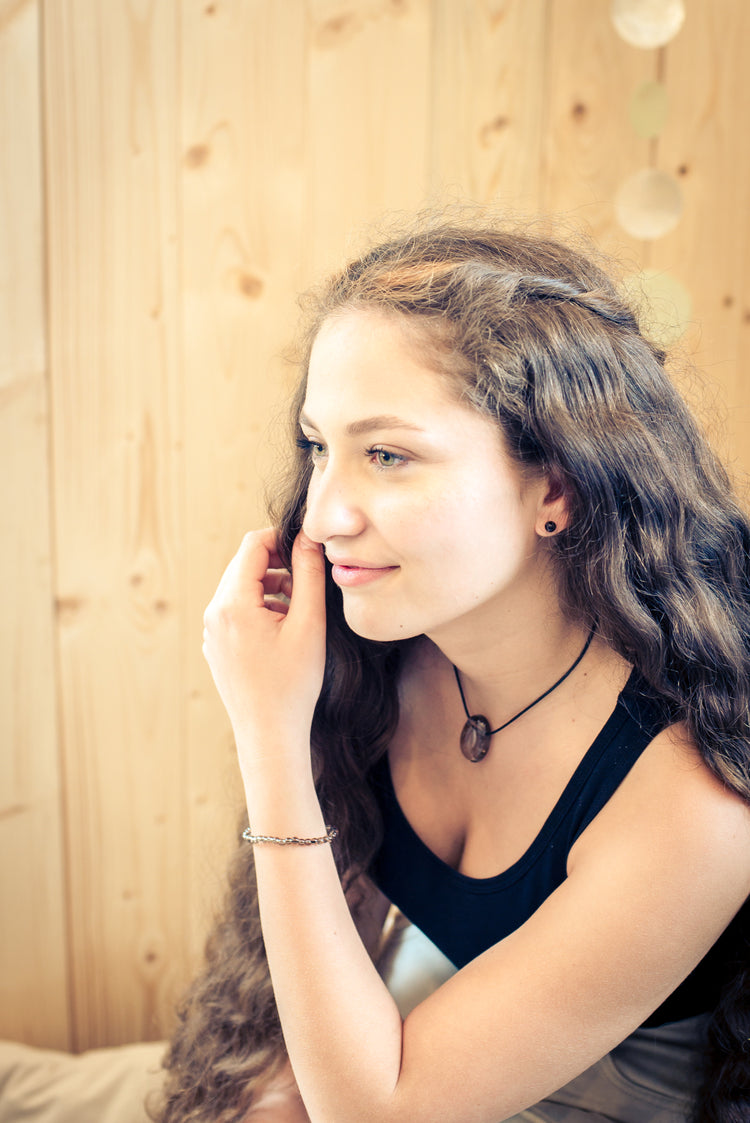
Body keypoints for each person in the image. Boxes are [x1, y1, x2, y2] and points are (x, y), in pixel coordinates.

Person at [154, 220, 750, 1123]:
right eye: (320, 447)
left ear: (557, 487)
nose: (321, 516)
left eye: (387, 454)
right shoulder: (384, 651)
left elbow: (379, 1112)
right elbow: (307, 977)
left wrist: (268, 733)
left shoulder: (694, 798)